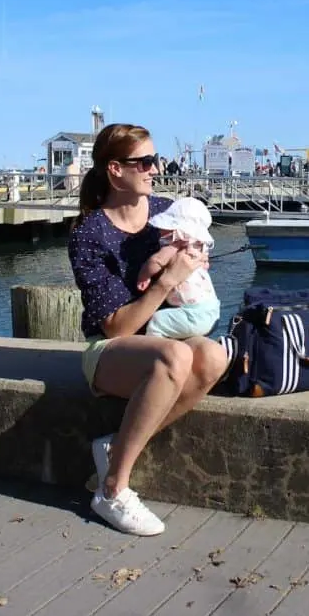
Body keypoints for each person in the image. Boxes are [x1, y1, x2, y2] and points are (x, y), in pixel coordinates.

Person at [68, 124, 228, 537]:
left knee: (213, 355)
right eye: (145, 162)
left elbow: (192, 260)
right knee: (175, 356)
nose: (155, 168)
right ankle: (112, 490)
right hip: (110, 349)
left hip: (163, 335)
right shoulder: (89, 233)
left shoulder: (166, 209)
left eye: (154, 160)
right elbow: (116, 325)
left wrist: (196, 264)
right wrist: (165, 281)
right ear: (115, 170)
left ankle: (115, 445)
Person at [136, 197, 220, 339]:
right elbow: (206, 265)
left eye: (165, 227)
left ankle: (153, 346)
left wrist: (144, 276)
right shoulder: (200, 250)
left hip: (193, 313)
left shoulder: (174, 247)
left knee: (157, 321)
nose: (160, 230)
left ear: (177, 231)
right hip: (212, 309)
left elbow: (156, 261)